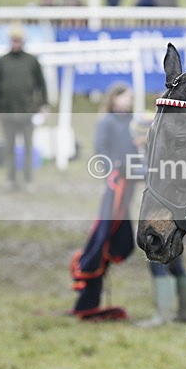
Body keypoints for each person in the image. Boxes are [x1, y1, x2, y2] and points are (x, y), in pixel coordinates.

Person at [70, 83, 141, 321]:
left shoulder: (132, 122)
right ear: (114, 98)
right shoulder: (107, 122)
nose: (129, 100)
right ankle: (87, 295)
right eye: (126, 96)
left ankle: (90, 298)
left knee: (113, 240)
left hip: (128, 186)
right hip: (115, 187)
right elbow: (101, 153)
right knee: (103, 238)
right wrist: (114, 170)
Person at [0, 25, 48, 191]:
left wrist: (43, 105)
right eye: (13, 40)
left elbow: (41, 84)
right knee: (9, 147)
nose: (15, 43)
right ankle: (10, 179)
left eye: (18, 40)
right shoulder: (2, 61)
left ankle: (29, 180)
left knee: (28, 147)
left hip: (26, 112)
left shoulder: (31, 61)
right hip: (7, 112)